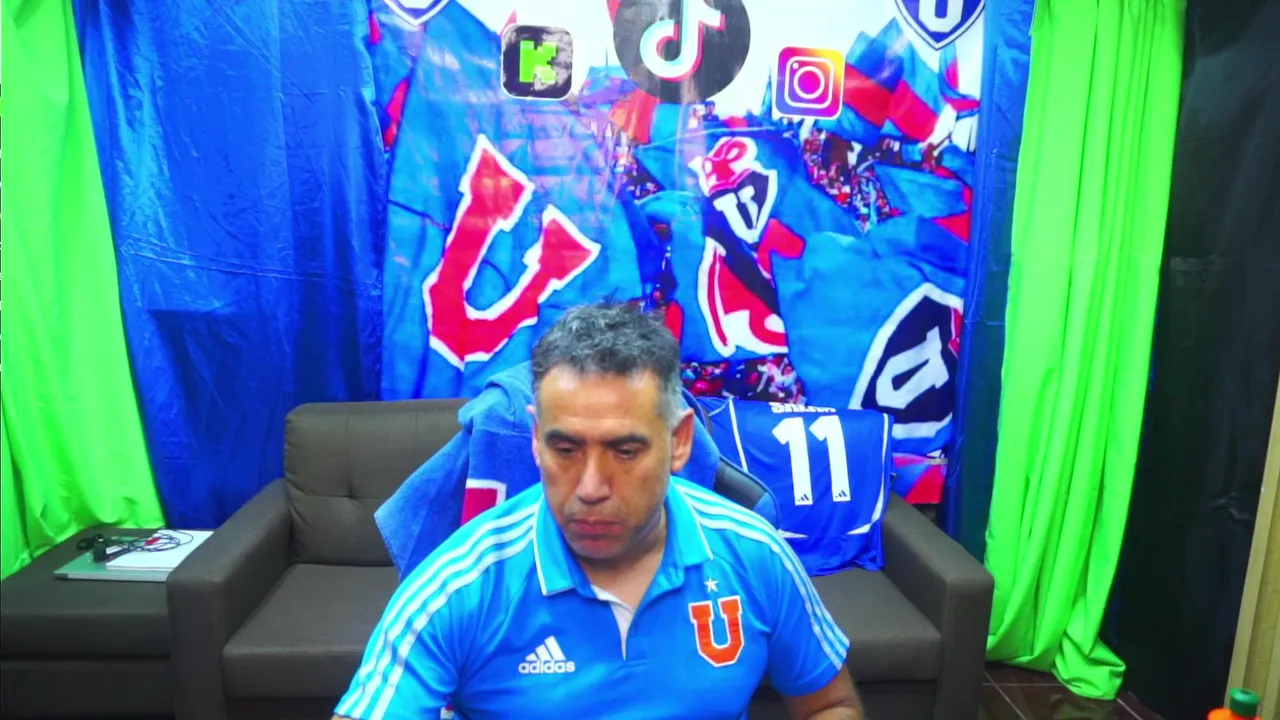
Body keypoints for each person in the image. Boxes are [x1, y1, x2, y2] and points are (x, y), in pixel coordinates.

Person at [332, 302, 863, 720]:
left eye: (625, 451)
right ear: (536, 439)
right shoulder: (458, 586)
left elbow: (830, 704)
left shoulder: (754, 553)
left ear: (679, 442)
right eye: (565, 449)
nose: (589, 488)